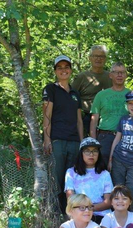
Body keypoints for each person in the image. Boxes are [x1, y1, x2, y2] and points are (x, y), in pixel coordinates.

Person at [42, 55, 83, 214]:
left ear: (71, 70)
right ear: (55, 71)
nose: (63, 70)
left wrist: (81, 144)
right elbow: (47, 115)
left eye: (67, 67)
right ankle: (54, 213)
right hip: (57, 140)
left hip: (74, 142)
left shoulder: (75, 93)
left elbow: (79, 121)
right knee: (56, 179)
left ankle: (70, 215)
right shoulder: (50, 89)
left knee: (71, 181)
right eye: (60, 67)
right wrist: (47, 139)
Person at [90, 62, 132, 166]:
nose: (119, 75)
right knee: (102, 170)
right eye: (116, 72)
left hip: (126, 138)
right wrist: (94, 144)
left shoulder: (131, 95)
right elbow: (94, 120)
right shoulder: (101, 95)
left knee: (122, 171)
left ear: (126, 75)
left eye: (122, 72)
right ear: (110, 75)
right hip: (105, 137)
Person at [64, 137, 113, 224]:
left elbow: (108, 202)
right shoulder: (71, 172)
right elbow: (70, 199)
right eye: (87, 151)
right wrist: (84, 210)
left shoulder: (105, 174)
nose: (91, 154)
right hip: (80, 214)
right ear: (81, 153)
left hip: (102, 216)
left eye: (95, 151)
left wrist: (89, 209)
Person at [71, 45, 112, 136]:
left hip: (107, 117)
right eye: (95, 56)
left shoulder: (110, 76)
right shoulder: (82, 77)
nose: (98, 59)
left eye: (101, 56)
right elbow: (71, 97)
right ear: (90, 58)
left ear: (105, 59)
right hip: (86, 117)